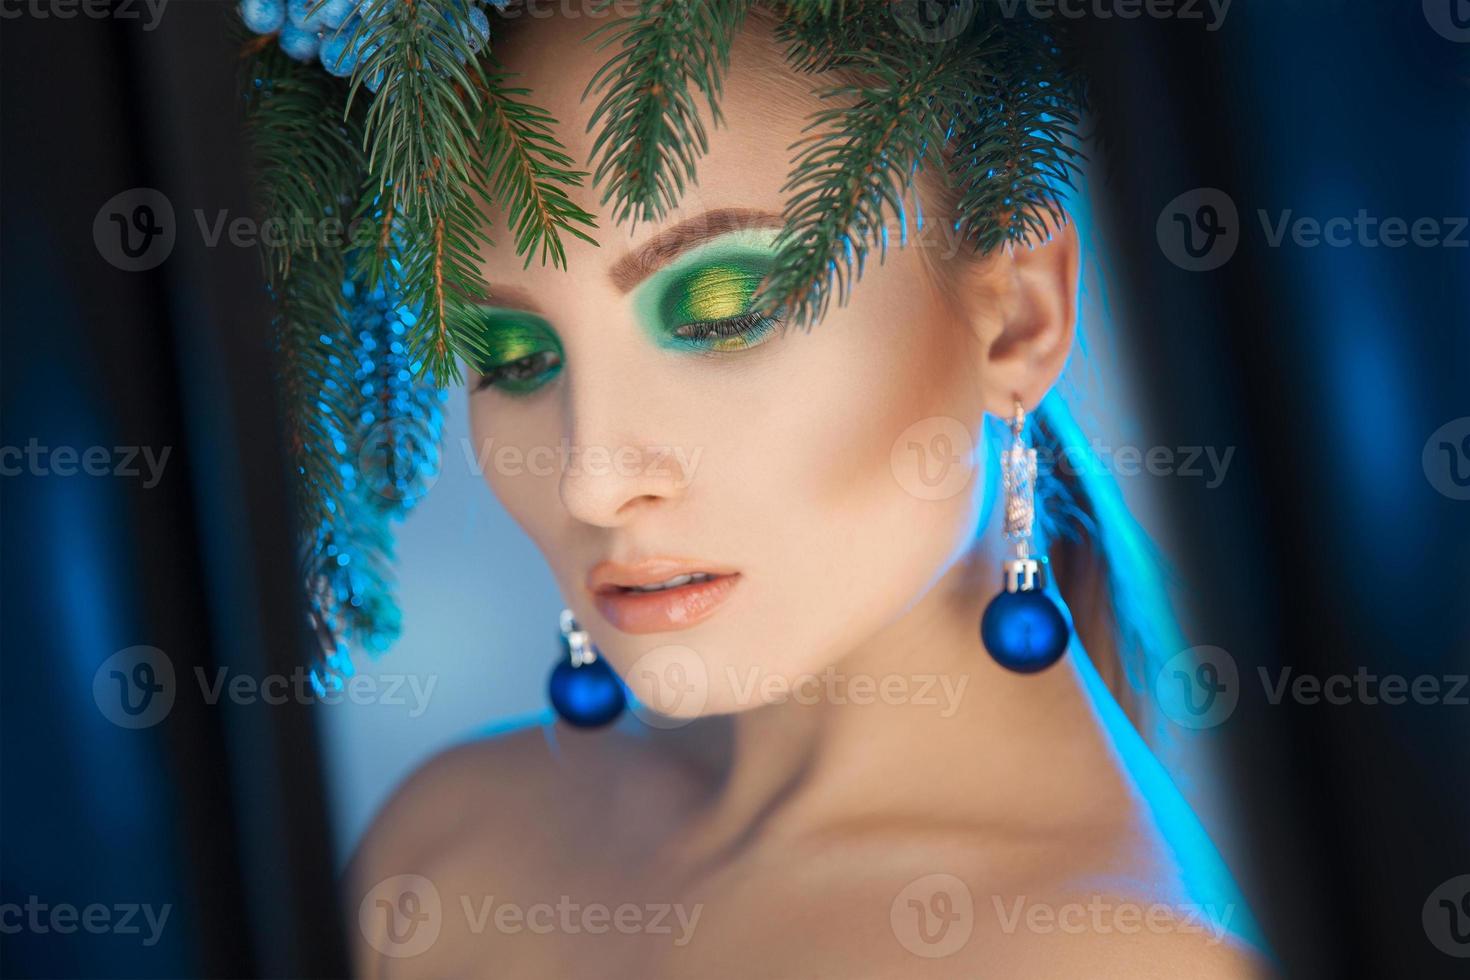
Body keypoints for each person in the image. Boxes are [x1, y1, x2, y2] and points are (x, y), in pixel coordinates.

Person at [346, 5, 1273, 976]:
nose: (591, 477)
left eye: (722, 315)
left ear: (1018, 320)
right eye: (518, 356)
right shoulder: (440, 846)